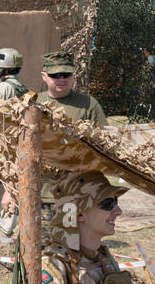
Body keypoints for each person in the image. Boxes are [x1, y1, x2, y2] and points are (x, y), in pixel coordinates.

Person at [36, 50, 108, 217]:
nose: (62, 79)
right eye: (56, 75)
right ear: (44, 76)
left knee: (69, 241)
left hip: (75, 192)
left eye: (66, 74)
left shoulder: (89, 105)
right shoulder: (33, 103)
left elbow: (106, 142)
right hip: (41, 191)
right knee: (37, 241)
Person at [0, 48, 28, 239]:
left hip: (0, 145)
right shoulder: (22, 88)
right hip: (17, 144)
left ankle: (5, 233)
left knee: (6, 190)